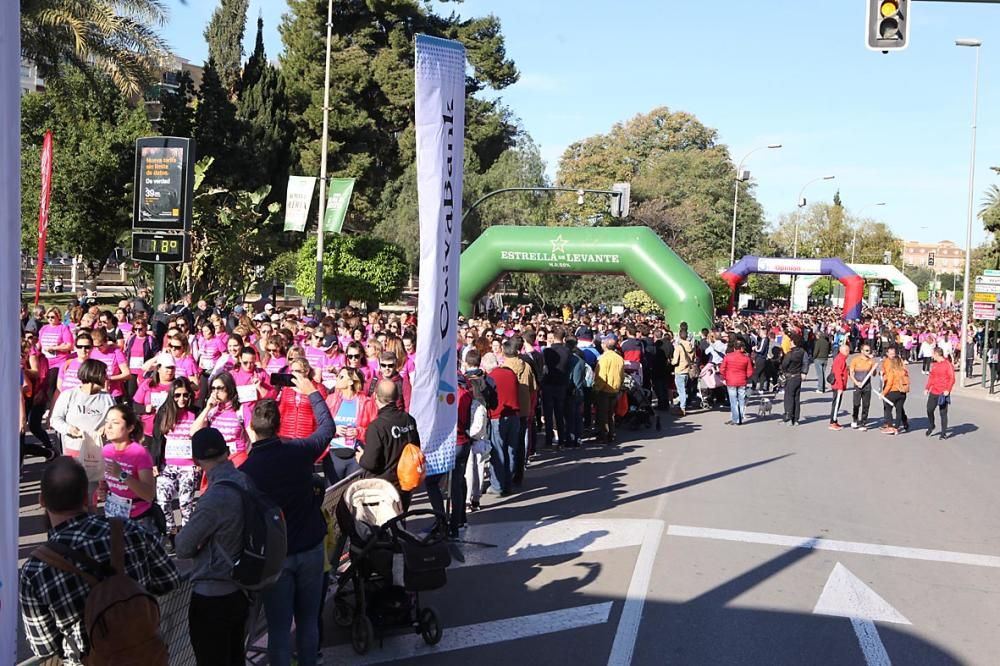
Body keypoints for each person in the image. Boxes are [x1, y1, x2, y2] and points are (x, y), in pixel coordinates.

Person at [19, 457, 179, 666]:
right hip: (144, 656)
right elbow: (170, 580)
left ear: (42, 500)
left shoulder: (35, 570)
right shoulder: (130, 531)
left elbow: (44, 647)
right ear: (87, 498)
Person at [240, 376, 334, 666]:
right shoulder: (299, 452)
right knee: (307, 622)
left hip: (276, 558)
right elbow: (327, 429)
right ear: (279, 426)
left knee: (279, 631)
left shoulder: (246, 471)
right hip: (311, 549)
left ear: (251, 429)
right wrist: (312, 393)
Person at [175, 428, 253, 666]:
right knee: (235, 656)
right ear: (227, 451)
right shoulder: (245, 481)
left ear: (196, 461)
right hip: (241, 589)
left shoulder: (214, 498)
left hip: (212, 595)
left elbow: (183, 547)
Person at [100, 404, 162, 536]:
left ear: (130, 427)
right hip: (113, 517)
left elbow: (149, 495)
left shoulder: (139, 453)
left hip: (138, 519)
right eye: (107, 422)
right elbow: (109, 484)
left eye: (115, 423)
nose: (109, 427)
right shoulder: (106, 450)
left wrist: (122, 475)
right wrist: (102, 490)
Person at [153, 377, 199, 548]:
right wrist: (154, 463)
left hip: (189, 466)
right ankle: (171, 531)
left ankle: (187, 537)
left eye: (185, 395)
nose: (182, 399)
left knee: (186, 504)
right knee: (163, 500)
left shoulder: (196, 412)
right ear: (171, 395)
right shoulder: (164, 413)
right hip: (168, 465)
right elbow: (157, 440)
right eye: (177, 395)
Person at [360, 380, 421, 507]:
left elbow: (371, 463)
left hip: (383, 488)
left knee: (383, 525)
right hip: (404, 483)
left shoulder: (376, 427)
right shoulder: (409, 419)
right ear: (397, 397)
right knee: (400, 521)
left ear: (375, 396)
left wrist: (361, 458)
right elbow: (416, 449)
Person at [50, 359, 115, 465]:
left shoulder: (108, 398)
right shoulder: (69, 395)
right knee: (74, 480)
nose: (107, 378)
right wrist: (69, 429)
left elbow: (115, 420)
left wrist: (107, 427)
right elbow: (55, 420)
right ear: (95, 374)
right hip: (73, 450)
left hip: (97, 453)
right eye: (104, 374)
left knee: (95, 480)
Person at [323, 366, 375, 484]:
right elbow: (322, 425)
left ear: (351, 381)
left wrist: (358, 432)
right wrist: (334, 430)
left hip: (355, 454)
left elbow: (374, 430)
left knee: (352, 494)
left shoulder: (366, 402)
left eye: (341, 377)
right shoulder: (331, 400)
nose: (337, 379)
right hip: (333, 453)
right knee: (331, 495)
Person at [193, 371, 249, 460]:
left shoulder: (241, 410)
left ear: (229, 388)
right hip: (216, 459)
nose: (215, 392)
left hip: (236, 459)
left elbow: (253, 437)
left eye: (219, 388)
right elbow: (194, 432)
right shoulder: (212, 411)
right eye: (213, 388)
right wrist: (207, 408)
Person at [541, 327, 572, 446]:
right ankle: (562, 440)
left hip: (548, 383)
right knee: (560, 412)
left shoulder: (547, 351)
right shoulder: (567, 351)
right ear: (564, 338)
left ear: (553, 337)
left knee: (549, 414)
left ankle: (549, 439)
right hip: (561, 384)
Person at [593, 334, 625, 444]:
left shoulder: (603, 359)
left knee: (602, 414)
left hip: (604, 390)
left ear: (605, 345)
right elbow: (622, 375)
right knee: (611, 413)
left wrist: (597, 389)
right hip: (615, 389)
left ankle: (604, 435)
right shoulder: (619, 358)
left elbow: (601, 377)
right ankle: (611, 433)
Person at [719, 339, 753, 425]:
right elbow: (750, 372)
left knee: (733, 400)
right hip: (742, 381)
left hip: (730, 381)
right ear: (741, 348)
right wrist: (746, 377)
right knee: (741, 400)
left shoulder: (728, 357)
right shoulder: (746, 358)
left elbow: (722, 369)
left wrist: (724, 377)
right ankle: (740, 417)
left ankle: (735, 419)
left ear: (734, 348)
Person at [925, 346, 956, 439]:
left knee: (943, 413)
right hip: (934, 391)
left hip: (943, 392)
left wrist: (948, 389)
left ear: (937, 354)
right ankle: (931, 425)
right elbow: (931, 377)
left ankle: (943, 433)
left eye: (932, 354)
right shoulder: (935, 365)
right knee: (929, 409)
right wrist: (927, 388)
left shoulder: (948, 364)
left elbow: (952, 378)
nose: (932, 356)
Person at [879, 350, 910, 435]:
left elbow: (889, 384)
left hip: (893, 392)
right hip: (902, 393)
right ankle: (896, 427)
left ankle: (890, 426)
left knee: (888, 409)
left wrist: (883, 393)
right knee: (899, 410)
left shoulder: (892, 372)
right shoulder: (904, 371)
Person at [780, 335, 807, 426]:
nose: (790, 343)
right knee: (796, 397)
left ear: (794, 342)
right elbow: (805, 363)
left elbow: (784, 365)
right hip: (798, 376)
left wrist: (783, 370)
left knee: (789, 397)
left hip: (790, 376)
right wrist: (804, 372)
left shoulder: (790, 354)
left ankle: (788, 417)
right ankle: (796, 418)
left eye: (791, 342)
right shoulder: (803, 352)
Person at [850, 344, 877, 430]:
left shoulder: (871, 361)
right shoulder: (855, 360)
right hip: (857, 385)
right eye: (867, 350)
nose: (869, 352)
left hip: (867, 386)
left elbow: (874, 374)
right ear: (862, 351)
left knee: (866, 405)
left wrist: (874, 369)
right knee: (856, 404)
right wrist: (856, 382)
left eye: (869, 350)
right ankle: (855, 419)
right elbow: (851, 373)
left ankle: (863, 422)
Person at [671, 330, 696, 416]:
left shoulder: (678, 347)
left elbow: (675, 361)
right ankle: (685, 404)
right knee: (684, 389)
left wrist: (671, 361)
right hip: (687, 370)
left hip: (679, 370)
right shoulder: (691, 347)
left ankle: (682, 408)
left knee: (681, 390)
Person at [828, 343, 851, 430]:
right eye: (847, 351)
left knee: (837, 403)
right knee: (836, 403)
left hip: (838, 385)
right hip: (838, 386)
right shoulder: (840, 359)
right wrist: (841, 387)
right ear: (843, 351)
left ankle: (834, 420)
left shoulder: (841, 359)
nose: (848, 352)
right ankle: (832, 422)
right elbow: (838, 374)